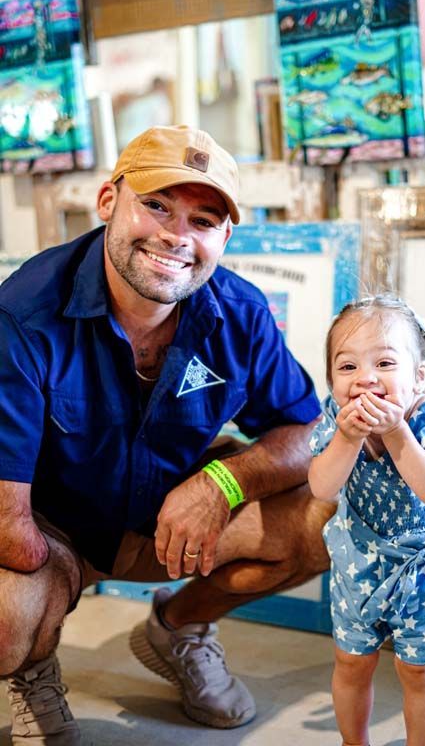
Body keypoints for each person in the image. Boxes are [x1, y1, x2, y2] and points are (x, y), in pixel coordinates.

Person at [0, 124, 335, 745]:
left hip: (170, 519)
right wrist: (54, 583)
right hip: (51, 533)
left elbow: (306, 432)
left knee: (325, 512)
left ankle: (178, 628)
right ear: (109, 203)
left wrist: (221, 483)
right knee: (6, 612)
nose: (176, 236)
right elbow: (7, 525)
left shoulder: (241, 311)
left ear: (225, 237)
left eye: (203, 220)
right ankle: (33, 668)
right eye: (155, 205)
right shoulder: (22, 315)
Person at [308, 295, 425, 746]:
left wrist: (395, 432)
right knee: (351, 663)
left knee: (417, 670)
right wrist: (348, 439)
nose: (365, 378)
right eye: (347, 367)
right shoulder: (336, 418)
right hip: (361, 561)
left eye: (385, 363)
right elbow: (322, 486)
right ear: (332, 378)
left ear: (418, 378)